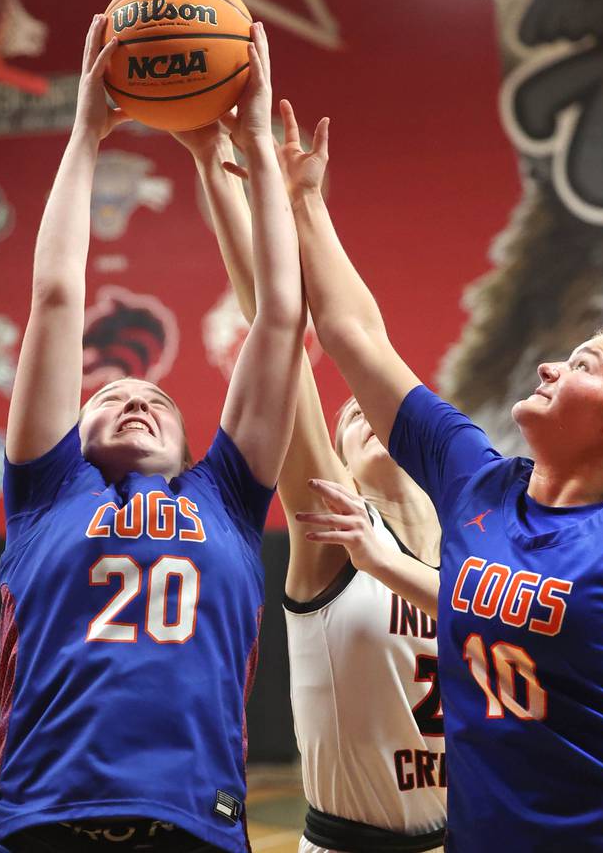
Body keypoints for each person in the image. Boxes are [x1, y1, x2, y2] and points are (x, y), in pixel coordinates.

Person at [0, 14, 306, 853]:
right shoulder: (48, 492)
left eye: (154, 396)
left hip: (194, 830)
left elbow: (280, 319)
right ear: (68, 434)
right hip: (37, 825)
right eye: (108, 394)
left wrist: (256, 148)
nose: (133, 398)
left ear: (195, 443)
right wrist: (84, 134)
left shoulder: (227, 499)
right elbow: (55, 297)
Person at [285, 106, 603, 851]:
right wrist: (306, 201)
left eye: (584, 365)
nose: (551, 364)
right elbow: (355, 337)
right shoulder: (475, 483)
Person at [173, 100, 446, 853]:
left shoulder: (482, 549)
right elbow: (278, 338)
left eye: (379, 408)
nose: (364, 413)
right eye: (348, 415)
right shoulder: (337, 531)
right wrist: (219, 171)